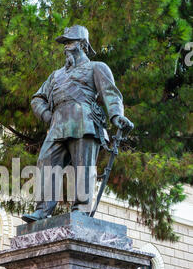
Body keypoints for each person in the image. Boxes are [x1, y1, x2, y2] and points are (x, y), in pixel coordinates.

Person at [22, 25, 133, 223]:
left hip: (85, 123)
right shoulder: (55, 75)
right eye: (64, 43)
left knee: (83, 167)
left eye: (70, 42)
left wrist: (116, 116)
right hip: (57, 126)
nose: (65, 47)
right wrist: (48, 116)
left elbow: (111, 94)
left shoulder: (97, 67)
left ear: (82, 44)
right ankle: (42, 210)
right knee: (45, 162)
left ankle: (81, 209)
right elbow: (37, 99)